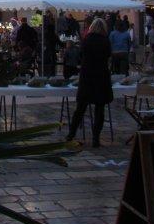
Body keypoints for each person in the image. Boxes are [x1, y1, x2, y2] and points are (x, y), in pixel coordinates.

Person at [66, 18, 112, 148]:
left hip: (87, 76)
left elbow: (81, 56)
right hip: (101, 76)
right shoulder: (105, 41)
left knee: (80, 109)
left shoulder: (86, 40)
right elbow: (108, 56)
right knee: (99, 109)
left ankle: (71, 134)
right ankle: (96, 139)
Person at [43, 12, 64, 77]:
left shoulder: (45, 35)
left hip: (46, 53)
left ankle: (46, 77)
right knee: (52, 69)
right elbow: (60, 43)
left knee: (46, 68)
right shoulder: (54, 35)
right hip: (52, 52)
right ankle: (52, 78)